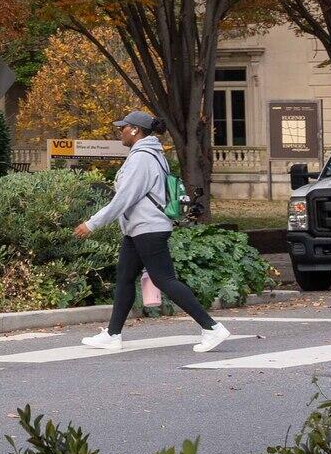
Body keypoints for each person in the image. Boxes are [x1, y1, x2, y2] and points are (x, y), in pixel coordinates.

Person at [74, 110, 232, 353]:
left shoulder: (142, 158)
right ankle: (113, 335)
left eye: (123, 127)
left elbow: (124, 198)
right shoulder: (151, 154)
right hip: (139, 228)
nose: (120, 132)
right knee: (125, 278)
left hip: (148, 228)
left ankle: (212, 328)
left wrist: (93, 223)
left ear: (135, 130)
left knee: (164, 280)